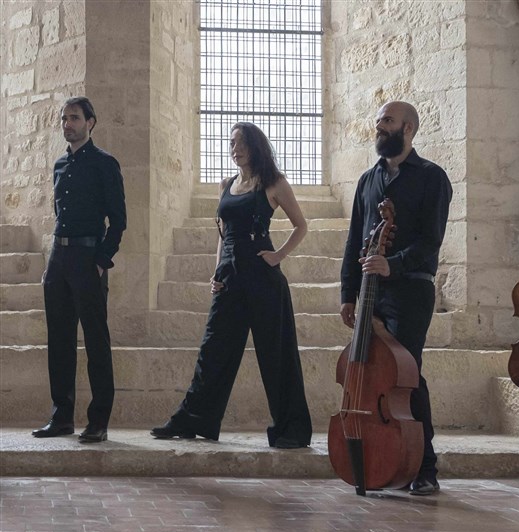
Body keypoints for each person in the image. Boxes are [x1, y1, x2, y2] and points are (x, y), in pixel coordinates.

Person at [151, 122, 312, 448]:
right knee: (213, 351)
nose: (235, 149)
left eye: (241, 143)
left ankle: (292, 430)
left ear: (255, 146)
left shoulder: (274, 183)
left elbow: (301, 226)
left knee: (276, 353)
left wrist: (278, 255)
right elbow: (223, 235)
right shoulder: (226, 185)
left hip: (263, 278)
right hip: (229, 279)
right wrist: (217, 273)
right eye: (231, 144)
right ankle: (192, 419)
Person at [340, 101, 453, 495]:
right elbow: (355, 240)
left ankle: (425, 467)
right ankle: (384, 458)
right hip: (371, 290)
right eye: (378, 122)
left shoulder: (431, 177)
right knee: (373, 373)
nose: (379, 127)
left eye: (387, 121)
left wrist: (394, 264)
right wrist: (347, 293)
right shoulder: (367, 180)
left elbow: (431, 241)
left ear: (408, 128)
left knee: (406, 374)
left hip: (410, 290)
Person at [32, 96, 127, 443]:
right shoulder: (59, 165)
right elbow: (60, 216)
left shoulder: (105, 163)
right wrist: (52, 263)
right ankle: (61, 418)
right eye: (64, 118)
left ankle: (98, 421)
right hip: (59, 259)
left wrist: (102, 261)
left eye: (74, 118)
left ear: (90, 122)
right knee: (59, 341)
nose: (67, 124)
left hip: (89, 260)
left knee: (96, 341)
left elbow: (118, 221)